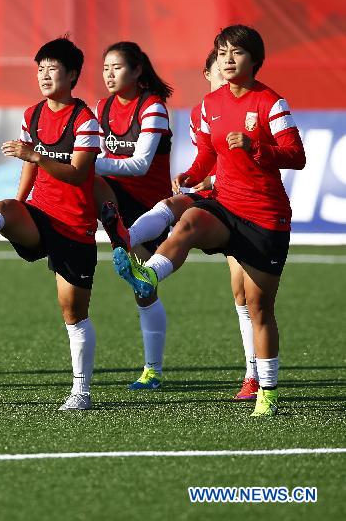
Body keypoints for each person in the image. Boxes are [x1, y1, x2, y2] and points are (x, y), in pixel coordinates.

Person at [113, 25, 306, 417]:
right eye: (222, 53)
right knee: (189, 222)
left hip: (265, 218)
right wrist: (189, 173)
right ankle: (147, 274)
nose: (228, 60)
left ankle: (266, 390)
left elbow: (295, 155)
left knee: (258, 307)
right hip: (225, 206)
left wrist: (257, 146)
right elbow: (207, 158)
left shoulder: (272, 103)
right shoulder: (208, 105)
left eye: (236, 53)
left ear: (255, 59)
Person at [0, 37, 101, 411]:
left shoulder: (85, 121)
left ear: (73, 75)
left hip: (74, 226)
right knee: (4, 207)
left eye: (52, 68)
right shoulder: (33, 114)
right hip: (39, 215)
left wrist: (36, 155)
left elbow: (76, 175)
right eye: (39, 68)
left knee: (73, 312)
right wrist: (21, 203)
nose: (44, 75)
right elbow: (29, 166)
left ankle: (81, 391)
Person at [107, 49, 260, 400]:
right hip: (214, 200)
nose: (227, 78)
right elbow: (207, 158)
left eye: (231, 70)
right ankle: (126, 242)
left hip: (245, 206)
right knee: (173, 207)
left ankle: (253, 375)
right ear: (208, 75)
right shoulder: (202, 112)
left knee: (244, 294)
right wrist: (194, 176)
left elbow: (257, 165)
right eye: (220, 73)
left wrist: (208, 180)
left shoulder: (254, 109)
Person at [91, 41, 174, 391]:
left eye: (118, 67)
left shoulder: (153, 107)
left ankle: (152, 370)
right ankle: (68, 230)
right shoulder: (101, 106)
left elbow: (140, 165)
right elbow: (90, 151)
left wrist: (79, 162)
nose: (109, 74)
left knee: (144, 290)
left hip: (149, 210)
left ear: (137, 70)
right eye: (106, 68)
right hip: (116, 204)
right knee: (81, 178)